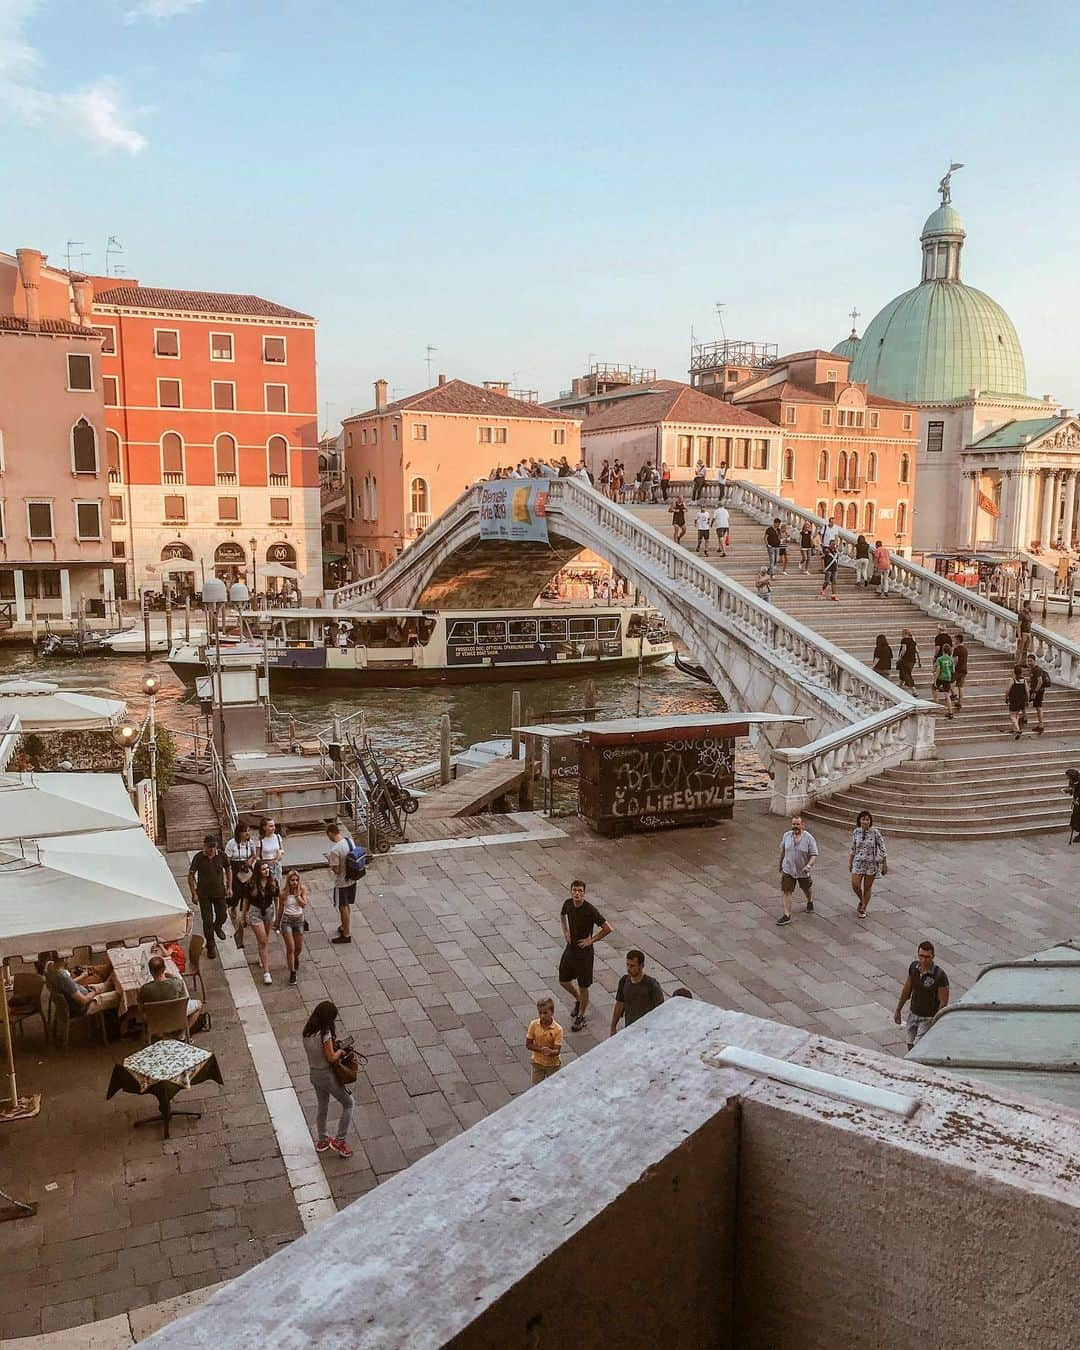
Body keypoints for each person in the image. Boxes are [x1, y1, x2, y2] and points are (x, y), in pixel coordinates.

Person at [558, 880, 612, 1032]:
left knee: (583, 985)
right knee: (563, 980)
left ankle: (581, 1015)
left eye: (580, 891)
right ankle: (578, 999)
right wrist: (566, 932)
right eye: (574, 890)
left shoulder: (590, 910)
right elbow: (562, 915)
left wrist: (591, 940)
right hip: (571, 949)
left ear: (584, 893)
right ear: (571, 892)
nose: (577, 893)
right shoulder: (568, 904)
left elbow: (608, 928)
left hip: (584, 953)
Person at [303, 1001, 353, 1157]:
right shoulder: (325, 1034)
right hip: (326, 1075)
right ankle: (340, 1141)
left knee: (322, 1107)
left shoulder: (307, 1031)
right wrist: (342, 1052)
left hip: (314, 1074)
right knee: (349, 1103)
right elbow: (331, 1057)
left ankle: (323, 1140)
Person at [894, 941, 949, 1050]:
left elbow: (943, 1002)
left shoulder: (939, 975)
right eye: (921, 956)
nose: (924, 960)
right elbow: (907, 988)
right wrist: (898, 1009)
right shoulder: (914, 968)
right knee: (909, 1042)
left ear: (933, 956)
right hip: (913, 1012)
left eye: (927, 957)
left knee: (918, 1047)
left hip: (928, 1017)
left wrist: (936, 1021)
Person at [188, 835, 230, 959]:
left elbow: (228, 869)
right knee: (207, 921)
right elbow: (191, 875)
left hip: (219, 892)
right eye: (209, 847)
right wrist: (193, 893)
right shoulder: (199, 857)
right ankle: (210, 945)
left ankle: (218, 926)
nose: (211, 850)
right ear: (205, 846)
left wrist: (229, 887)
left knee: (222, 915)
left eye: (214, 847)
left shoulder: (221, 856)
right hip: (204, 894)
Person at [137, 955, 203, 1033]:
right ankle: (184, 1033)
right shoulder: (177, 983)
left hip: (155, 1018)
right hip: (176, 1014)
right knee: (199, 1004)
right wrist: (172, 977)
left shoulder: (145, 989)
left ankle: (159, 1033)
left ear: (150, 971)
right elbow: (184, 1000)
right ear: (164, 969)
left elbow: (140, 1008)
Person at [45, 953, 120, 1019]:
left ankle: (111, 978)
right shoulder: (63, 977)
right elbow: (83, 1001)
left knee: (108, 983)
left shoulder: (50, 966)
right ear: (65, 958)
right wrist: (94, 992)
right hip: (84, 1007)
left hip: (83, 992)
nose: (70, 957)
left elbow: (67, 984)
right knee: (118, 996)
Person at [609, 950, 664, 1036]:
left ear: (641, 966)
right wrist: (613, 1027)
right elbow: (619, 1004)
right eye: (627, 965)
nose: (629, 968)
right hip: (629, 1028)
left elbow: (660, 1010)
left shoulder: (651, 985)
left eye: (632, 966)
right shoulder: (624, 981)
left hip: (647, 1030)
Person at [776, 815, 818, 926]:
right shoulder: (787, 835)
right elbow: (783, 851)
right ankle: (787, 915)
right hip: (788, 869)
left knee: (806, 887)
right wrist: (780, 864)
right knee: (786, 890)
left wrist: (808, 866)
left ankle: (809, 900)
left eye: (797, 824)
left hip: (802, 870)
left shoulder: (809, 838)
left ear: (802, 825)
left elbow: (813, 855)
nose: (795, 826)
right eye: (793, 824)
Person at [243, 860, 279, 985]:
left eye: (267, 868)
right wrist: (243, 916)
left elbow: (276, 899)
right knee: (263, 940)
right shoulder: (251, 884)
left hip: (268, 911)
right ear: (258, 871)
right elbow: (246, 901)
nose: (266, 871)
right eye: (263, 869)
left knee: (264, 939)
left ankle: (261, 955)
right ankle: (266, 972)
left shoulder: (273, 882)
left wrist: (277, 915)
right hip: (255, 912)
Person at [849, 810, 887, 918]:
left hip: (871, 863)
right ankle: (862, 900)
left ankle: (863, 907)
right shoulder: (856, 832)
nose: (865, 821)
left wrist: (884, 862)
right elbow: (853, 848)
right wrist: (850, 861)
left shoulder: (875, 832)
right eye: (863, 819)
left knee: (867, 887)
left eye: (867, 819)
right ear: (859, 821)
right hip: (858, 862)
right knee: (855, 885)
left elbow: (882, 847)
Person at [275, 869, 309, 985]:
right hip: (287, 920)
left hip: (299, 920)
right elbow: (280, 909)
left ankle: (295, 958)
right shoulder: (283, 893)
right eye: (292, 880)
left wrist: (297, 896)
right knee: (291, 947)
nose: (294, 882)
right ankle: (292, 972)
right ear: (288, 881)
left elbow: (304, 904)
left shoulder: (302, 889)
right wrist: (277, 923)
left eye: (296, 880)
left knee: (298, 948)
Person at [325, 822, 356, 944]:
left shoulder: (335, 850)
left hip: (342, 882)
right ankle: (344, 926)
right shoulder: (349, 841)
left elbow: (336, 870)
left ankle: (346, 934)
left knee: (342, 906)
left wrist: (329, 861)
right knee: (347, 904)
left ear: (331, 833)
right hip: (352, 878)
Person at [224, 821, 256, 941]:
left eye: (248, 831)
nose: (248, 833)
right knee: (236, 892)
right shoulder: (231, 844)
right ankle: (233, 906)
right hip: (235, 868)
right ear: (240, 832)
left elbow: (254, 855)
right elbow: (227, 861)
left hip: (246, 869)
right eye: (245, 831)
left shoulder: (250, 843)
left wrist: (250, 861)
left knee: (247, 893)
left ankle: (245, 913)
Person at [525, 996, 563, 1085]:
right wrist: (541, 1050)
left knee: (553, 1087)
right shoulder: (533, 1024)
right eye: (540, 1013)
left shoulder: (558, 1030)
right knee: (536, 1087)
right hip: (537, 1062)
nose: (542, 1016)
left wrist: (550, 1052)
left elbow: (557, 1050)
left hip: (553, 1065)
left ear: (552, 1012)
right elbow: (528, 1044)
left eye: (545, 1013)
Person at [257, 816, 285, 888]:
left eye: (274, 825)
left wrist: (278, 856)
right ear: (264, 828)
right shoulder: (261, 840)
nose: (273, 828)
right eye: (271, 826)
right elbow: (258, 856)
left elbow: (282, 850)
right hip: (266, 867)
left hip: (277, 865)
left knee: (277, 886)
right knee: (267, 886)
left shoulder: (278, 837)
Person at [1025, 654, 1048, 735]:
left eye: (1031, 661)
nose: (1029, 662)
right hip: (1034, 690)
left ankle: (1041, 725)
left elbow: (1040, 681)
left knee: (1038, 707)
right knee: (1026, 702)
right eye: (1028, 661)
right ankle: (1039, 725)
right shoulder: (1032, 669)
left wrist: (1035, 692)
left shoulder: (1037, 670)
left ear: (1035, 661)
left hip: (1038, 691)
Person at [933, 640, 955, 718]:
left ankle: (936, 705)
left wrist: (935, 680)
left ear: (942, 650)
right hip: (948, 677)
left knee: (934, 689)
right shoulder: (951, 659)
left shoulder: (940, 659)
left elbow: (938, 669)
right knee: (947, 694)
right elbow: (953, 670)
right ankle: (950, 712)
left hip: (940, 677)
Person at [1006, 665, 1029, 740]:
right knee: (1017, 714)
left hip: (1014, 700)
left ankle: (1017, 729)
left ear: (1014, 672)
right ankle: (1015, 729)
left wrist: (1006, 698)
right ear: (1021, 672)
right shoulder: (1024, 680)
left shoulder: (1013, 680)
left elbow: (1008, 690)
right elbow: (1027, 691)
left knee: (1012, 715)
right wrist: (1027, 700)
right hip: (1022, 700)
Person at [951, 634, 969, 710]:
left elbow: (955, 661)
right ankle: (960, 702)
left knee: (949, 682)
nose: (954, 641)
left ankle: (953, 695)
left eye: (955, 639)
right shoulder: (965, 649)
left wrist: (952, 668)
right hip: (964, 669)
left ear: (958, 640)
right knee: (960, 687)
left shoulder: (957, 649)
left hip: (957, 670)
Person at [1064, 769, 1080, 844]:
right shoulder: (1071, 781)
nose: (1068, 778)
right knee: (1075, 819)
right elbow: (1072, 789)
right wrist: (1068, 790)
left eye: (1068, 777)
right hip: (1076, 803)